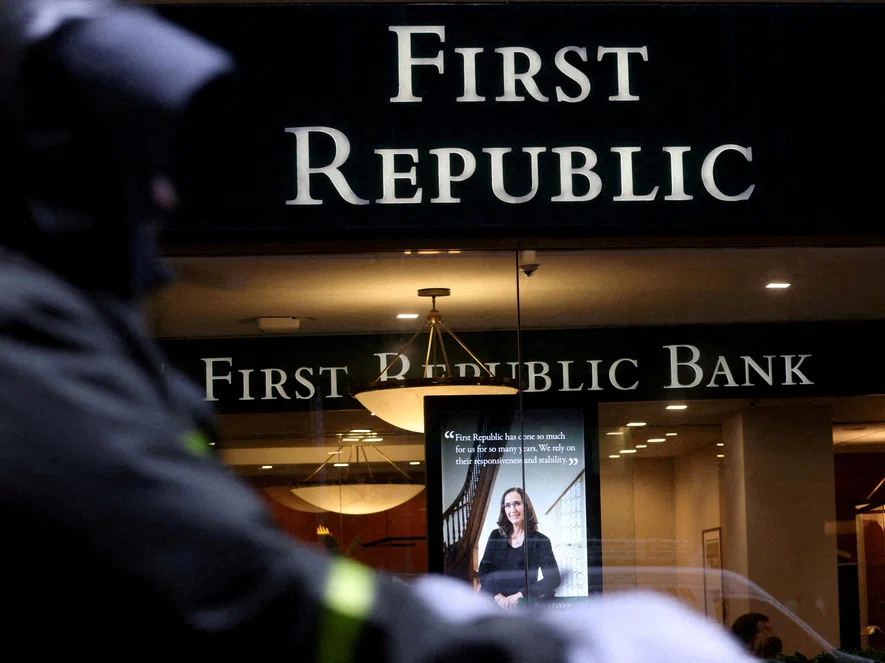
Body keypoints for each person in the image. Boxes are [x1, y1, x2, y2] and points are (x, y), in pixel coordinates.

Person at [0, 2, 759, 662]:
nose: (163, 194)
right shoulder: (20, 328)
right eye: (125, 155)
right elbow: (229, 584)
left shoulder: (49, 321)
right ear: (42, 155)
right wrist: (551, 647)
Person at [478, 487, 561, 607]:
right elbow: (484, 571)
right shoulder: (495, 535)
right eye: (507, 505)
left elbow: (553, 579)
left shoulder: (541, 541)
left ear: (526, 507)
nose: (512, 510)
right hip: (493, 602)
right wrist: (499, 598)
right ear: (504, 509)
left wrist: (520, 596)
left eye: (517, 504)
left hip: (522, 604)